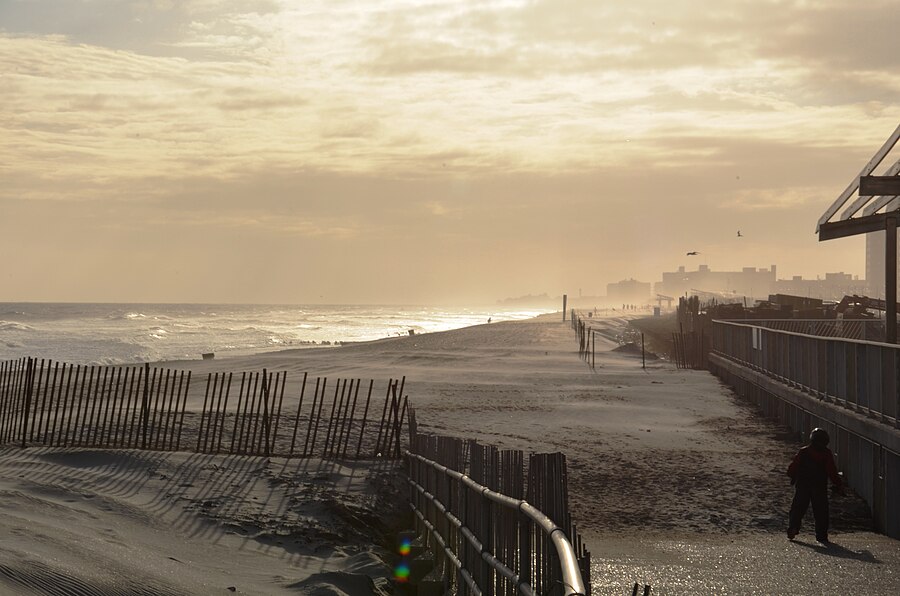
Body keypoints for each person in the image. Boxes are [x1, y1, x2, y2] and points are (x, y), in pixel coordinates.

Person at [787, 428, 843, 543]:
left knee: (798, 508)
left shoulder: (804, 452)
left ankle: (793, 527)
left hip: (803, 485)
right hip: (819, 486)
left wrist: (792, 475)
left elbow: (793, 467)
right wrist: (838, 485)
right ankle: (821, 535)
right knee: (821, 511)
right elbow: (832, 471)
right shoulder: (826, 454)